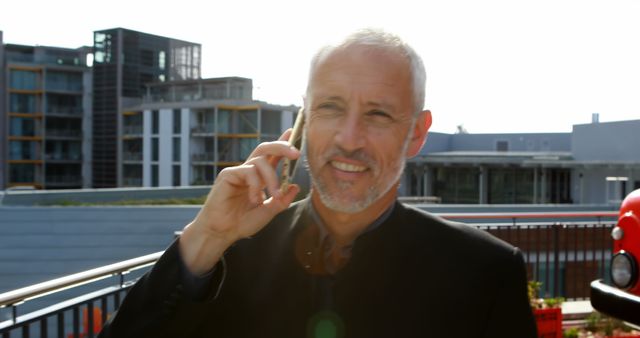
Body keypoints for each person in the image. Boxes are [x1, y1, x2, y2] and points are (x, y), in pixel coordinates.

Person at [99, 29, 537, 338]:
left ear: (417, 133)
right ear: (303, 121)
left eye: (378, 114)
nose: (349, 139)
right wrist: (206, 238)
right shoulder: (231, 253)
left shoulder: (484, 273)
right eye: (330, 108)